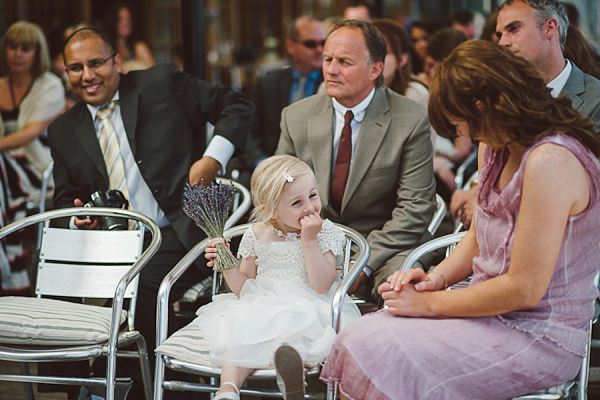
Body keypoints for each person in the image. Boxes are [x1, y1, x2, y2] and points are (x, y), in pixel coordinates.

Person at [320, 39, 600, 399]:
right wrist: (435, 280)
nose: (464, 135)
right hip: (485, 311)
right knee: (359, 335)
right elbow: (479, 235)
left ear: (485, 106)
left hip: (539, 335)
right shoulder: (496, 145)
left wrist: (429, 305)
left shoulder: (552, 160)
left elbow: (525, 289)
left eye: (461, 122)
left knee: (384, 349)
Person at [47, 27, 253, 398]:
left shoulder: (160, 83)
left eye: (96, 63)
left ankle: (138, 386)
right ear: (66, 73)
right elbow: (63, 200)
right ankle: (82, 381)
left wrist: (211, 158)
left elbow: (236, 105)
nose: (87, 75)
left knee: (137, 287)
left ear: (117, 62)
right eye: (75, 68)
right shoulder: (62, 129)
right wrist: (78, 215)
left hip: (179, 231)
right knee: (56, 278)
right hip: (112, 244)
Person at [155, 155, 361, 400]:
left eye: (313, 195)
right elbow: (244, 290)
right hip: (259, 306)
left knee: (293, 329)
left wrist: (309, 240)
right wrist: (227, 265)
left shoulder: (325, 232)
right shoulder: (256, 234)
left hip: (309, 306)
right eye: (297, 202)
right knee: (239, 336)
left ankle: (291, 380)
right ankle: (228, 389)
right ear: (270, 210)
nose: (310, 207)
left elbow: (321, 285)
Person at [276, 20, 436, 306]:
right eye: (328, 59)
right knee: (279, 298)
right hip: (311, 241)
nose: (331, 69)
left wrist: (364, 261)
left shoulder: (410, 119)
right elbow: (277, 195)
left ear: (375, 69)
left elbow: (416, 209)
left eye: (344, 62)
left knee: (399, 294)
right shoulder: (295, 117)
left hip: (385, 247)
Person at [452, 0, 600, 229]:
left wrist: (491, 206)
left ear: (550, 28)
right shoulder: (502, 99)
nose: (503, 42)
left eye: (514, 29)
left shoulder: (595, 100)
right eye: (500, 34)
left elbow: (585, 191)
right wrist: (476, 191)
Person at [0, 21, 65, 295]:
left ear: (38, 53)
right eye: (13, 47)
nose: (18, 54)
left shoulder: (51, 86)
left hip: (37, 171)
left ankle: (8, 270)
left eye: (25, 48)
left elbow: (30, 134)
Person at [239, 16, 326, 183]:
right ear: (290, 45)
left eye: (323, 43)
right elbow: (247, 132)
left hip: (316, 173)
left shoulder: (333, 85)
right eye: (310, 44)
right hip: (270, 167)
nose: (319, 49)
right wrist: (264, 166)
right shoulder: (268, 83)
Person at [371, 19, 428, 107]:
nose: (373, 59)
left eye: (383, 54)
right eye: (369, 52)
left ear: (401, 60)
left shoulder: (414, 94)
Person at [105, 2, 154, 73]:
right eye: (120, 19)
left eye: (129, 19)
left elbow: (154, 74)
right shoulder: (107, 50)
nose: (126, 23)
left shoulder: (139, 47)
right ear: (113, 22)